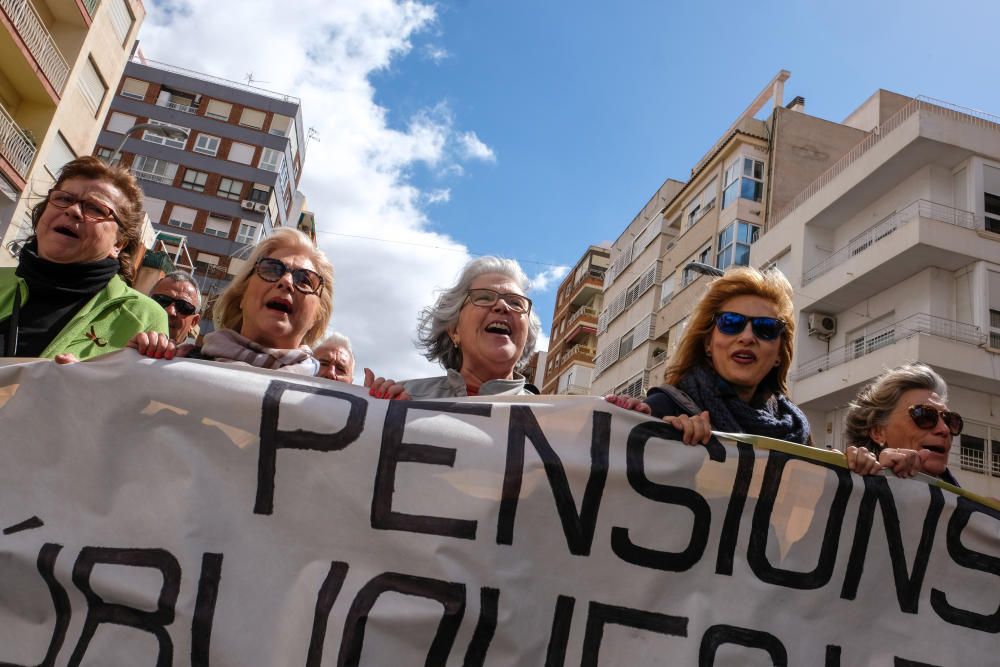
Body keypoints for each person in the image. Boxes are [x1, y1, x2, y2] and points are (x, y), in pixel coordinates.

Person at [609, 267, 811, 446]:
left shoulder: (796, 433)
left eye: (766, 327)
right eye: (731, 323)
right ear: (708, 343)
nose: (747, 337)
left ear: (779, 354)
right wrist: (630, 426)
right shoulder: (662, 410)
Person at [0, 156, 166, 361]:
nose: (72, 210)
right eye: (63, 199)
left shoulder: (143, 317)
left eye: (96, 209)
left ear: (118, 244)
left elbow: (140, 392)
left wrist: (87, 387)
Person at [130, 228, 332, 375]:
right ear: (242, 295)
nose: (286, 282)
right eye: (271, 269)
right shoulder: (171, 365)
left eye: (305, 280)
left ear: (318, 315)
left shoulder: (328, 405)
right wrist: (133, 362)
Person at [366, 256, 541, 399]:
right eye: (484, 298)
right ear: (454, 330)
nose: (502, 305)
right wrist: (373, 415)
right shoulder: (405, 398)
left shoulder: (555, 423)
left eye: (516, 303)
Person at [843, 363, 961, 484]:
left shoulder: (963, 502)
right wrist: (842, 471)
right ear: (878, 432)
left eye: (949, 420)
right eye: (925, 416)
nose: (944, 429)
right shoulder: (847, 484)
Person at [150, 271, 201, 344]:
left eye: (183, 306)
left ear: (193, 322)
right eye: (161, 301)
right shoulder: (128, 342)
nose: (170, 311)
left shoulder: (192, 355)